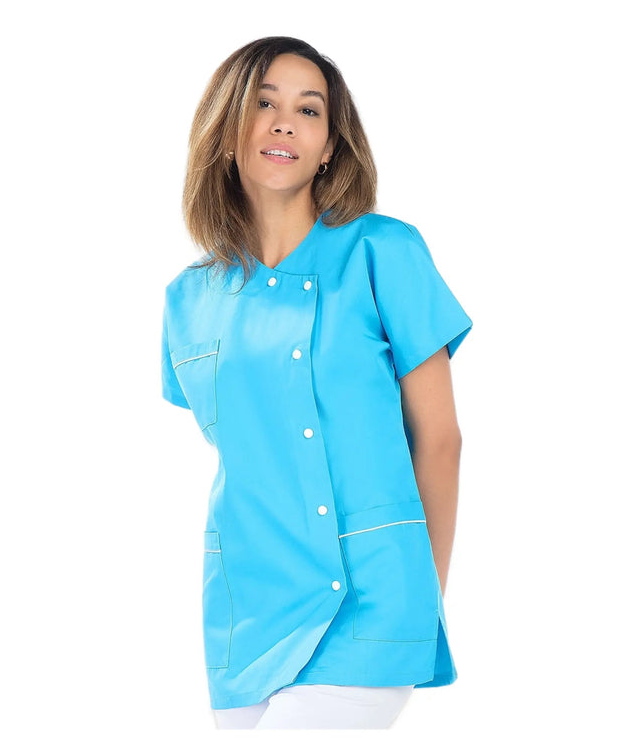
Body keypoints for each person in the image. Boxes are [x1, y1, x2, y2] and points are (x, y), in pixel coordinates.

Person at [161, 36, 473, 730]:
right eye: (263, 104)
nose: (284, 124)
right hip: (244, 611)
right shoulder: (188, 299)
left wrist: (420, 597)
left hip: (370, 599)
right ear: (226, 129)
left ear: (330, 145)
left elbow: (440, 439)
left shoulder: (384, 252)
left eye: (308, 110)